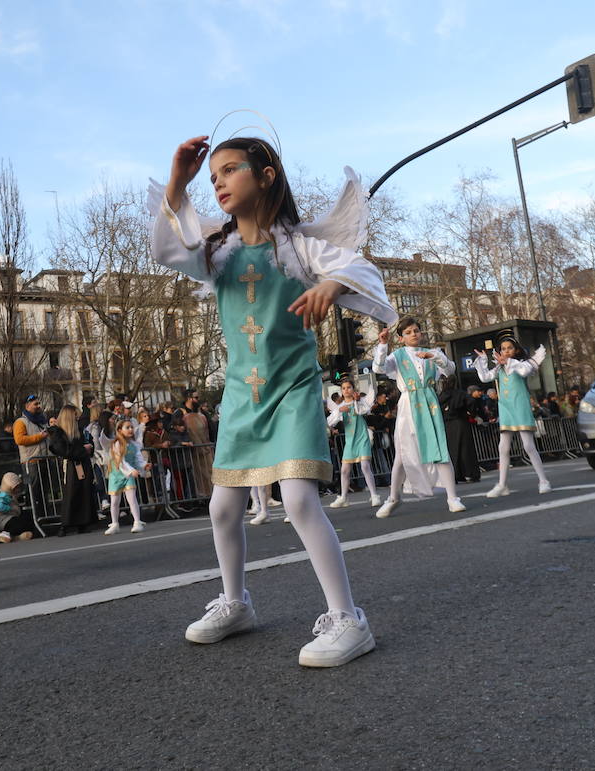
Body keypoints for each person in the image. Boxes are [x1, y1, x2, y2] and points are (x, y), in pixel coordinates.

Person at [149, 133, 397, 667]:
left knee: (300, 500)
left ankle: (349, 619)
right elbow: (168, 249)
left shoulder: (299, 246)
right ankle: (236, 602)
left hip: (291, 389)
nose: (218, 182)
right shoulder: (217, 251)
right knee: (222, 507)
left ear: (266, 176)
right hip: (241, 397)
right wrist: (178, 180)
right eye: (213, 175)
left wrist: (331, 286)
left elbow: (363, 271)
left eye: (231, 170)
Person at [372, 318, 466, 517]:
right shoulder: (397, 356)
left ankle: (452, 497)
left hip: (430, 403)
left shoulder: (434, 353)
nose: (413, 334)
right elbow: (378, 368)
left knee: (440, 449)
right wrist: (382, 344)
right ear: (401, 337)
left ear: (421, 333)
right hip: (408, 406)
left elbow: (450, 370)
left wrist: (434, 357)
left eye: (416, 330)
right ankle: (393, 498)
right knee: (402, 455)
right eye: (408, 332)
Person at [474, 336, 552, 497]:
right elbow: (485, 377)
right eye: (503, 349)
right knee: (503, 447)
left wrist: (507, 362)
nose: (506, 351)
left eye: (509, 348)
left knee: (528, 446)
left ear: (515, 350)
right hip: (506, 408)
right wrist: (482, 360)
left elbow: (524, 371)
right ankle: (502, 485)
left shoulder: (522, 364)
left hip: (520, 407)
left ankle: (543, 480)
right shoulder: (499, 368)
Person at [326, 379, 381, 508]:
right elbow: (330, 422)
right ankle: (344, 497)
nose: (346, 390)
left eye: (349, 387)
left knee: (365, 466)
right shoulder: (340, 407)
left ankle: (374, 495)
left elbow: (364, 411)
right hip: (350, 441)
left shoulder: (360, 401)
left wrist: (357, 401)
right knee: (345, 470)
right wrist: (340, 411)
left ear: (353, 389)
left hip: (362, 438)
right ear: (341, 391)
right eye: (344, 388)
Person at [48, 405, 99, 535]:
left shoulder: (81, 431)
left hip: (83, 464)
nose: (78, 417)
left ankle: (84, 521)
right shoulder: (58, 432)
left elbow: (90, 443)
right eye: (75, 415)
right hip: (71, 466)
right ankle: (66, 523)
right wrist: (83, 450)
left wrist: (89, 448)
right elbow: (63, 450)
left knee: (84, 491)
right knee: (71, 493)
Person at [104, 418, 150, 535]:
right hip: (116, 474)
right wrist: (131, 471)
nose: (130, 430)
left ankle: (137, 522)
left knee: (132, 499)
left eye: (131, 427)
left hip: (129, 474)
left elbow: (138, 459)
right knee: (114, 501)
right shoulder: (117, 444)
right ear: (120, 430)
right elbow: (121, 461)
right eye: (127, 427)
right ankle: (114, 523)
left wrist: (144, 465)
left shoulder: (135, 444)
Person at [440, 378, 481, 483]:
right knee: (466, 449)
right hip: (461, 422)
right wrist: (471, 413)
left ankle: (455, 475)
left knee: (452, 450)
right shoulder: (460, 394)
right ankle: (471, 473)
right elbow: (471, 401)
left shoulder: (441, 396)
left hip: (448, 424)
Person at [0, 472, 37, 543]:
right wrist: (11, 508)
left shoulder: (10, 494)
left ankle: (15, 537)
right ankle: (5, 533)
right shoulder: (1, 494)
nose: (17, 490)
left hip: (9, 518)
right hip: (2, 520)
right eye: (16, 487)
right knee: (18, 523)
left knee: (27, 518)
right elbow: (0, 507)